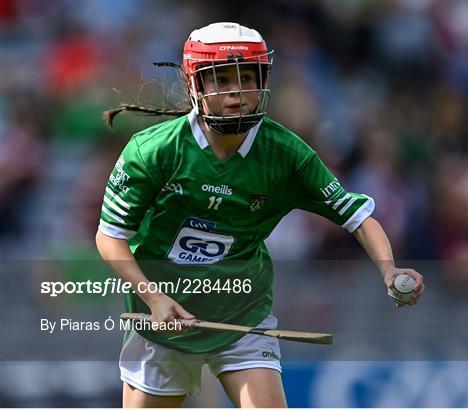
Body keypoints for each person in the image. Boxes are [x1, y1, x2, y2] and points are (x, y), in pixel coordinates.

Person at [95, 22, 425, 408]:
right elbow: (110, 236)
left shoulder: (286, 154)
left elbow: (356, 216)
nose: (236, 92)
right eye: (220, 80)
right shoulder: (153, 151)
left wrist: (389, 270)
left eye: (247, 78)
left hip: (241, 315)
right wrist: (154, 298)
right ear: (194, 85)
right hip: (160, 322)